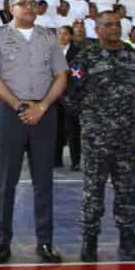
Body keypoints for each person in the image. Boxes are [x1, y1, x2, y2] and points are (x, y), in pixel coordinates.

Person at [0, 0, 68, 265]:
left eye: (33, 3)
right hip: (11, 114)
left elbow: (61, 76)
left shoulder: (49, 37)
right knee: (6, 181)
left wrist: (42, 106)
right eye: (23, 3)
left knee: (44, 181)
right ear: (11, 8)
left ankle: (45, 242)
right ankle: (1, 242)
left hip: (44, 115)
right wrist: (19, 105)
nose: (29, 7)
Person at [66, 11, 135, 263]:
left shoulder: (133, 56)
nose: (114, 29)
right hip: (96, 137)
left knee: (127, 189)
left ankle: (128, 238)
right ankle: (89, 240)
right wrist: (91, 114)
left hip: (128, 136)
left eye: (117, 24)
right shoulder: (86, 58)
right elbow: (70, 94)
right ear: (97, 29)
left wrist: (125, 110)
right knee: (93, 190)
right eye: (108, 25)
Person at [54, 25, 83, 170]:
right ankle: (56, 160)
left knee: (73, 131)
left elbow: (78, 75)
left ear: (71, 36)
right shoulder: (52, 51)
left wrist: (72, 91)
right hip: (54, 97)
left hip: (71, 97)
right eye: (60, 33)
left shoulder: (77, 53)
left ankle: (75, 161)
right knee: (55, 130)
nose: (62, 36)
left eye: (65, 34)